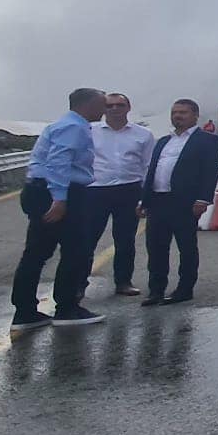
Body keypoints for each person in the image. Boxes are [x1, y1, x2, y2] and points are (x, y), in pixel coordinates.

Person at [9, 87, 108, 339]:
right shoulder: (74, 127)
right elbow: (59, 162)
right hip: (59, 193)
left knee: (36, 252)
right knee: (75, 250)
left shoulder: (64, 125)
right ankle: (67, 308)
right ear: (86, 105)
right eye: (102, 105)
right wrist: (60, 198)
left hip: (41, 189)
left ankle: (25, 312)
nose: (105, 110)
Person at [139, 98, 218, 304]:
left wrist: (203, 199)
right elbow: (152, 171)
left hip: (185, 202)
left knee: (186, 247)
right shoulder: (163, 142)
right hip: (158, 200)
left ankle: (185, 289)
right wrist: (144, 200)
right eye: (175, 112)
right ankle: (156, 290)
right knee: (156, 248)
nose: (177, 116)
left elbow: (210, 171)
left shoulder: (206, 140)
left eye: (183, 113)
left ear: (195, 115)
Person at [85, 91, 155, 297]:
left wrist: (145, 197)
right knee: (87, 239)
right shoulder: (89, 131)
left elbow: (148, 166)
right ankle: (78, 283)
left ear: (128, 108)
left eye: (120, 105)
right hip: (96, 190)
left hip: (129, 190)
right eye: (110, 106)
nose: (115, 109)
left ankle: (123, 282)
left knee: (125, 240)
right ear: (103, 109)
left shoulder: (143, 135)